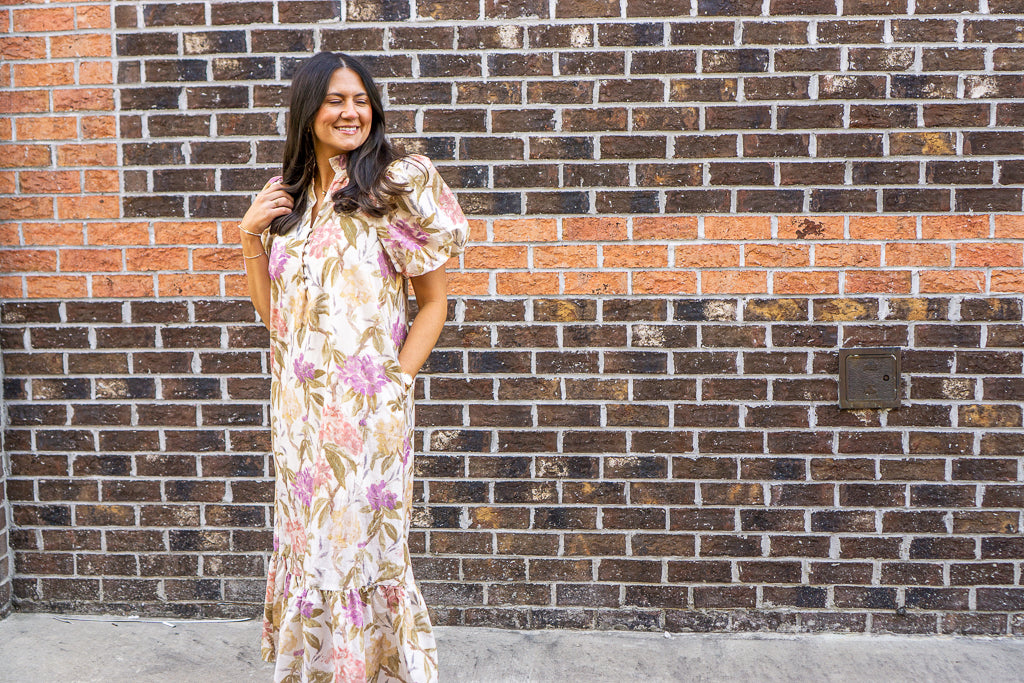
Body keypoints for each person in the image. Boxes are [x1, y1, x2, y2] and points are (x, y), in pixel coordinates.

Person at [237, 51, 469, 682]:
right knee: (310, 548)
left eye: (360, 99)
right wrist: (250, 238)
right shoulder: (289, 197)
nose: (350, 112)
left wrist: (397, 384)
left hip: (368, 414)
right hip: (299, 417)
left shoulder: (396, 184)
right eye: (335, 100)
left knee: (357, 552)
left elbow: (434, 303)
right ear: (307, 109)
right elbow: (278, 319)